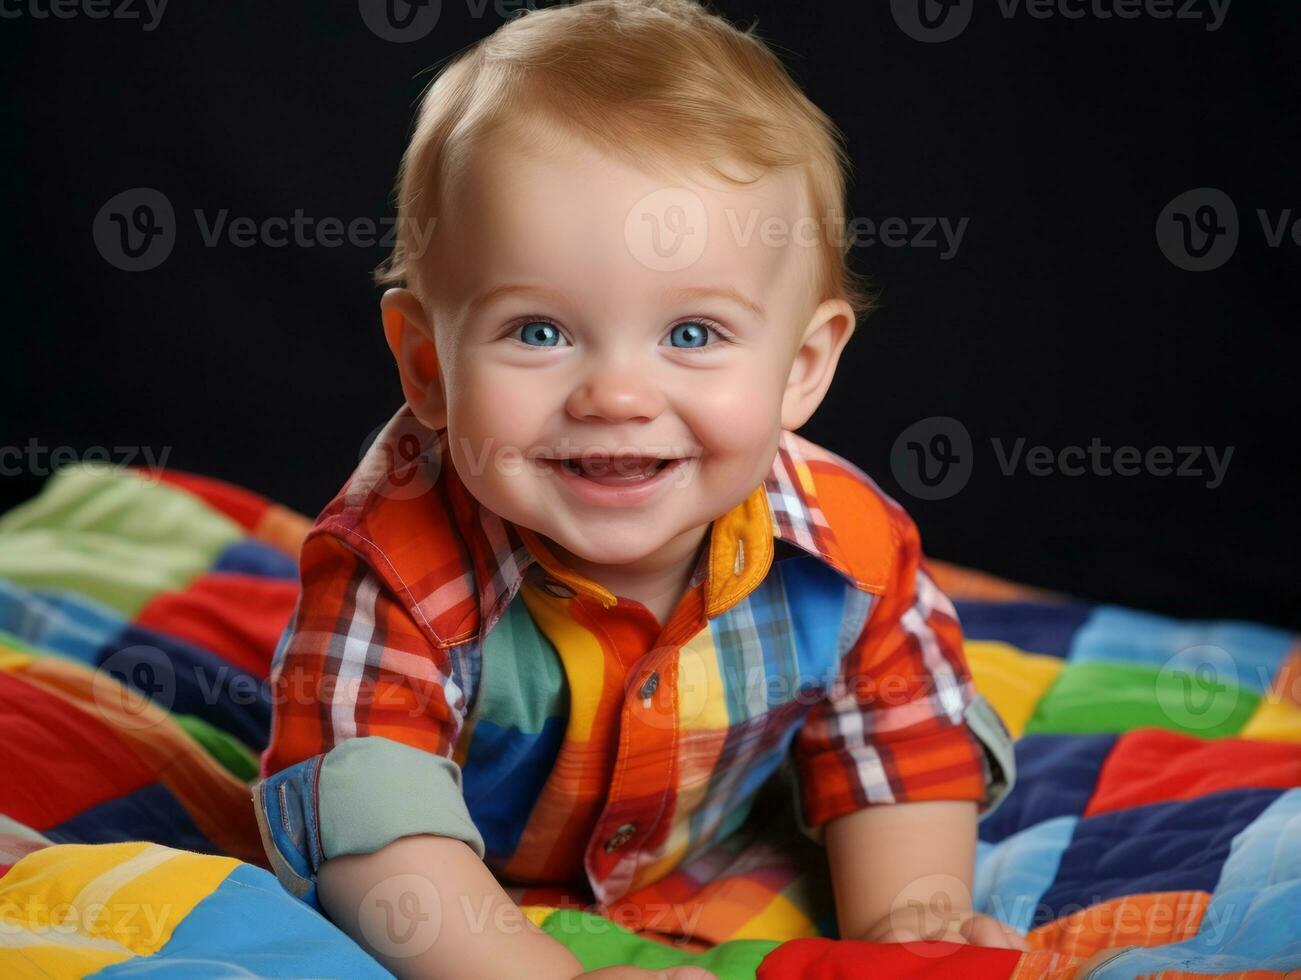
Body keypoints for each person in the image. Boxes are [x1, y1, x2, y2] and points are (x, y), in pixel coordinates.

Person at [252, 1, 1026, 976]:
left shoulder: (847, 549)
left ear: (800, 365)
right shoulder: (391, 568)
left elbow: (898, 738)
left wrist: (907, 915)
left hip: (703, 849)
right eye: (537, 329)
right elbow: (370, 830)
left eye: (691, 334)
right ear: (427, 366)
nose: (616, 393)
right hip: (470, 883)